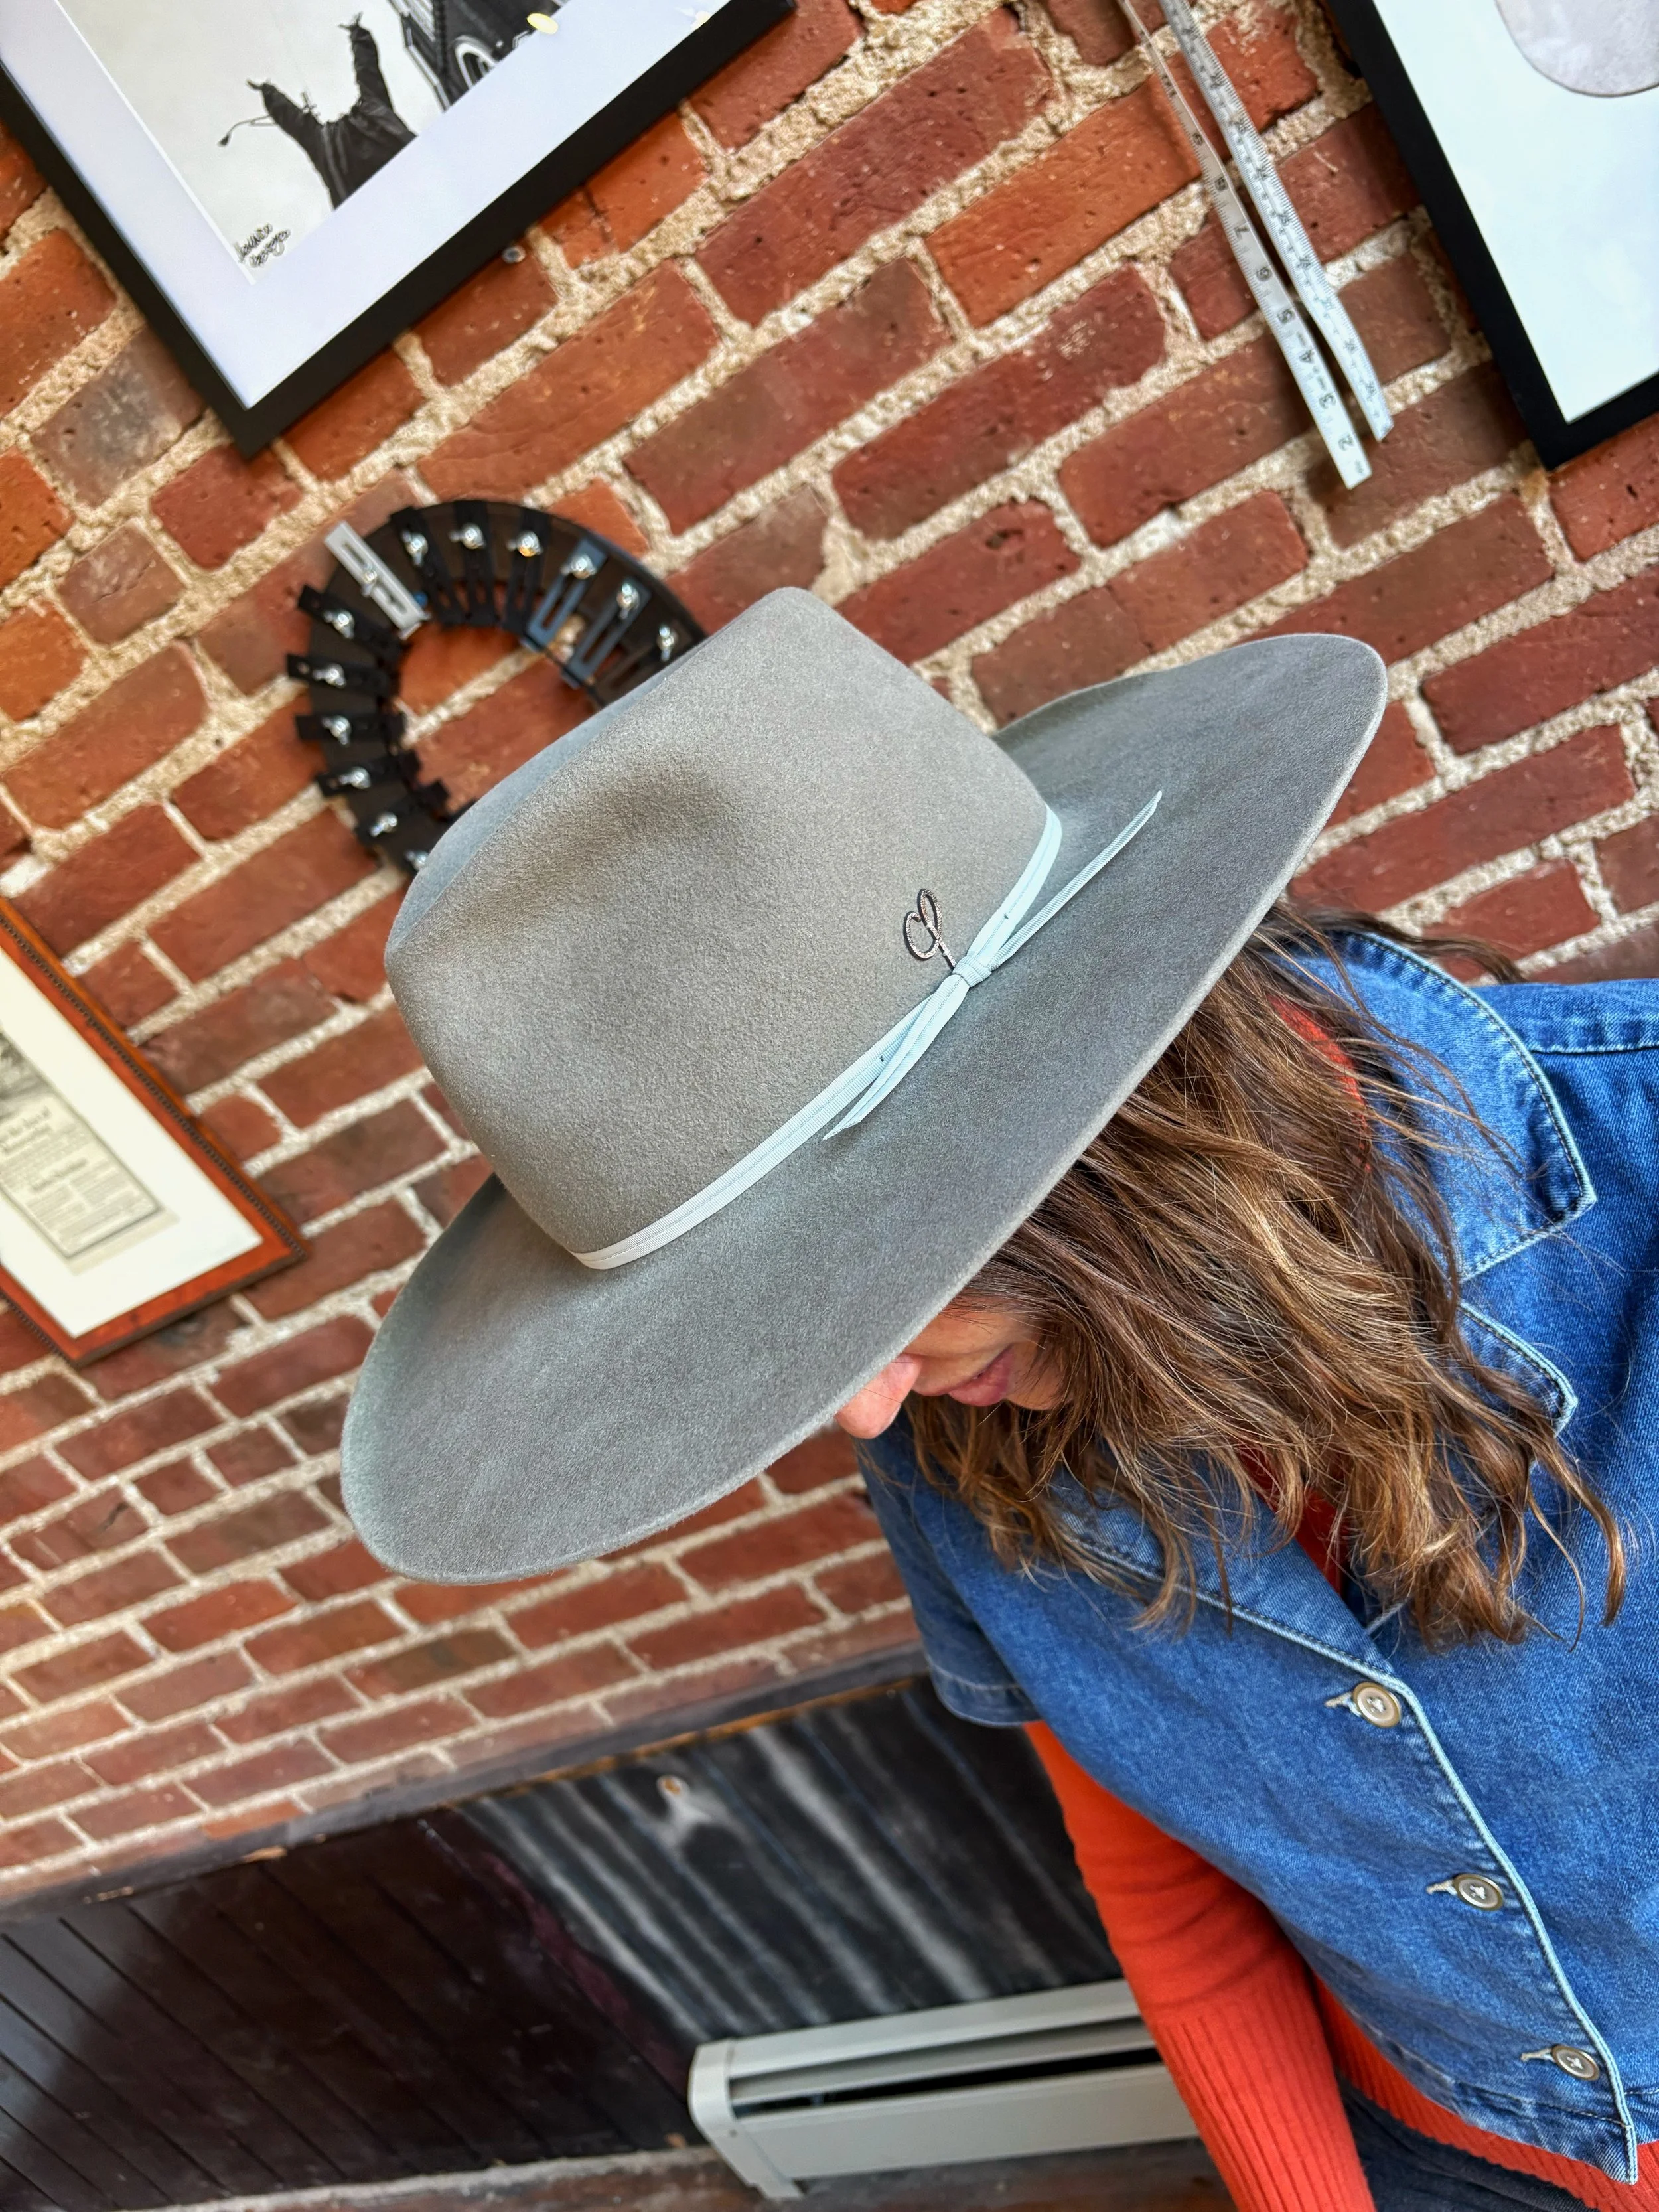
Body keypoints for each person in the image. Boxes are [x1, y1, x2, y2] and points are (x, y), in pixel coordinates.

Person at [341, 589, 1657, 2212]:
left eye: (870, 1288)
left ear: (1098, 1135)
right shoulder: (961, 1424)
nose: (862, 1412)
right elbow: (1171, 1874)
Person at [251, 19, 414, 208]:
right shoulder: (372, 110)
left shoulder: (324, 142)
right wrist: (357, 34)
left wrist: (268, 91)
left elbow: (293, 121)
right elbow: (367, 70)